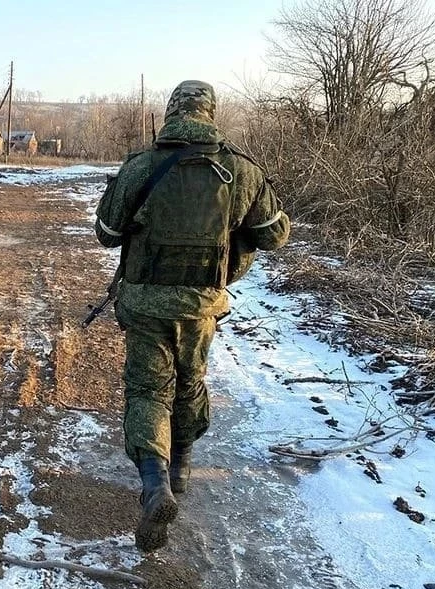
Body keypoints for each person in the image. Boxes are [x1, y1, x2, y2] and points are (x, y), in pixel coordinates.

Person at [94, 80, 290, 552]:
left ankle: (154, 482)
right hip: (201, 304)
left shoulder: (141, 166)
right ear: (211, 114)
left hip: (145, 302)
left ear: (171, 113)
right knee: (190, 379)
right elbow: (274, 236)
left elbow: (106, 232)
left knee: (148, 389)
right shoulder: (241, 170)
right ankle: (181, 465)